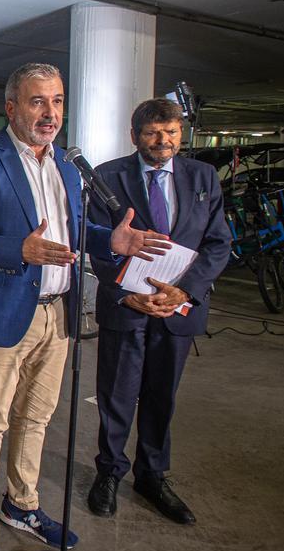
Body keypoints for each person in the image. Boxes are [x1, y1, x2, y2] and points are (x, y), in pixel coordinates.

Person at [0, 62, 167, 551]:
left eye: (58, 101)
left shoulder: (68, 168)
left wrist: (109, 241)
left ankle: (21, 505)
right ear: (12, 107)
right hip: (2, 310)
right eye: (38, 101)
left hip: (58, 315)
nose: (50, 113)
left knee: (37, 417)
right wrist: (16, 250)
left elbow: (73, 237)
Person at [86, 98, 230, 524]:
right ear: (135, 136)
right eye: (152, 133)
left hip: (177, 308)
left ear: (180, 134)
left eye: (170, 132)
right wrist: (123, 294)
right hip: (127, 307)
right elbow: (98, 241)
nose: (162, 141)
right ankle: (109, 472)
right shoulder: (107, 177)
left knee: (161, 396)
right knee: (116, 395)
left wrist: (184, 292)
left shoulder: (203, 176)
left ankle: (152, 476)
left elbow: (219, 243)